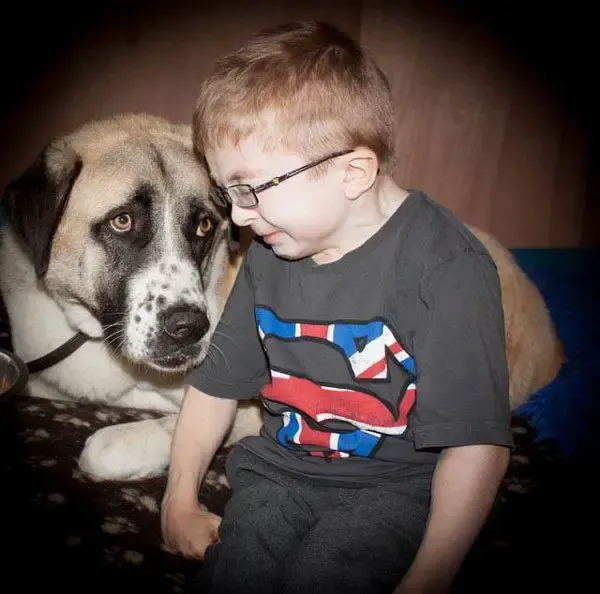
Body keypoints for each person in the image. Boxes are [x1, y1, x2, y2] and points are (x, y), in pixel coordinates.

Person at [161, 20, 513, 594]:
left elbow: (479, 448)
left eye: (250, 189)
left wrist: (429, 578)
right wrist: (177, 502)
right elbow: (214, 387)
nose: (238, 217)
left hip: (398, 489)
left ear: (354, 172)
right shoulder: (273, 246)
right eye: (228, 193)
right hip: (276, 476)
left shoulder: (449, 268)